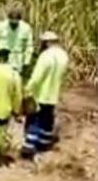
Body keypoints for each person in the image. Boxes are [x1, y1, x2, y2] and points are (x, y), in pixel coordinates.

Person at [20, 31, 68, 159]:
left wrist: (27, 90)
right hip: (53, 94)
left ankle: (29, 148)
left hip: (40, 94)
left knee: (35, 119)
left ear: (46, 43)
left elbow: (37, 78)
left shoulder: (45, 56)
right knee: (47, 120)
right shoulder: (63, 55)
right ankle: (44, 143)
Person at [0, 3, 34, 76]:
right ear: (9, 19)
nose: (13, 24)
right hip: (3, 57)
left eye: (15, 22)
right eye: (12, 22)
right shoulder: (2, 26)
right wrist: (0, 47)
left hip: (18, 58)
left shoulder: (26, 28)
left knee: (15, 78)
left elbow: (29, 46)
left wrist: (26, 62)